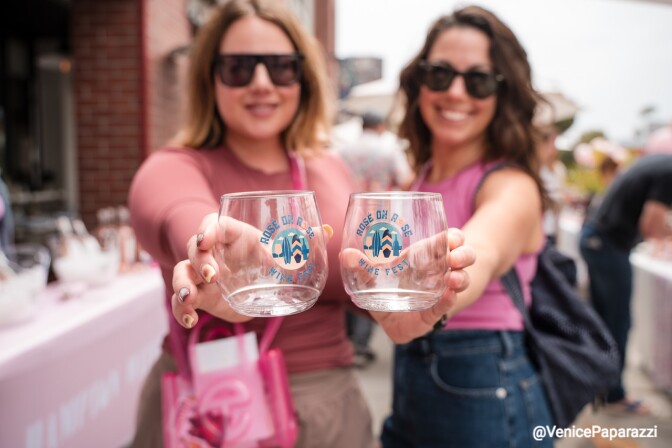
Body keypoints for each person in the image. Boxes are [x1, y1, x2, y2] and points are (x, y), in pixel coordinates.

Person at [128, 1, 474, 447]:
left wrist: (403, 305)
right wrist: (212, 249)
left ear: (303, 78)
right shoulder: (172, 165)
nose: (261, 83)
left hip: (325, 409)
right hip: (204, 409)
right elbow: (180, 215)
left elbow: (363, 277)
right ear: (208, 78)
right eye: (237, 67)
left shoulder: (329, 169)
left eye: (281, 68)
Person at [380, 6, 555, 447]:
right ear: (419, 82)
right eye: (440, 74)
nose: (456, 92)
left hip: (485, 381)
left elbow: (481, 250)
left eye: (478, 80)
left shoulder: (511, 184)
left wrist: (440, 285)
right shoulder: (417, 179)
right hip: (412, 373)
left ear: (502, 94)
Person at [579, 153, 672, 414]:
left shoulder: (661, 163)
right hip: (607, 243)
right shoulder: (668, 171)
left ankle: (597, 385)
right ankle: (613, 394)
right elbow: (651, 226)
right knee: (617, 321)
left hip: (598, 239)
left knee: (603, 321)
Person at [335, 110, 413, 367]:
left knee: (353, 275)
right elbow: (406, 180)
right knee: (376, 280)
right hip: (383, 222)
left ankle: (350, 338)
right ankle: (361, 342)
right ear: (379, 126)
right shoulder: (388, 149)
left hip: (350, 218)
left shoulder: (345, 151)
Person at [538, 125, 567, 245]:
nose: (555, 148)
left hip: (551, 228)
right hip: (540, 229)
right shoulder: (535, 169)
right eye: (552, 142)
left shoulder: (557, 168)